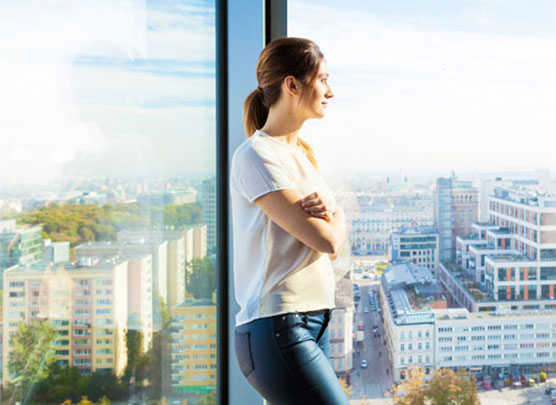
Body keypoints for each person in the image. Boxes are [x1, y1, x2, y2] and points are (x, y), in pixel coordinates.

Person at [230, 37, 349, 404]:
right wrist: (334, 212)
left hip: (313, 319)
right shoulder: (257, 155)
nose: (330, 91)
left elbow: (333, 231)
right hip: (279, 324)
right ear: (292, 85)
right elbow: (327, 241)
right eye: (323, 79)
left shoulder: (301, 156)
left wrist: (334, 212)